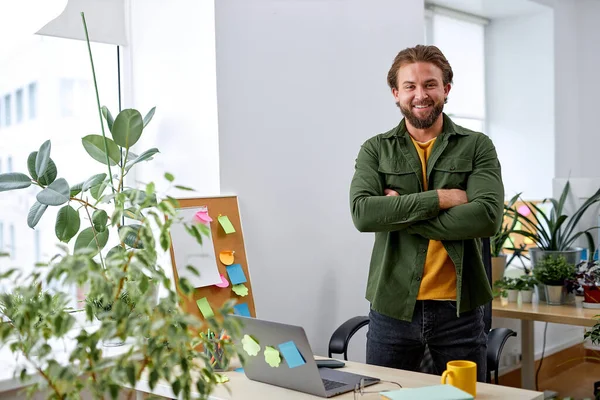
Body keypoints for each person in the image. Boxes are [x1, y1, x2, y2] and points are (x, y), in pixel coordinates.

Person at [349, 45, 504, 382]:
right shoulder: (375, 149)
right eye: (410, 86)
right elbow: (363, 214)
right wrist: (440, 198)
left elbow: (487, 217)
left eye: (430, 84)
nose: (421, 94)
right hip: (392, 309)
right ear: (396, 93)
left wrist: (398, 214)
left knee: (462, 398)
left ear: (446, 89)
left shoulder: (477, 146)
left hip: (459, 311)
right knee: (386, 393)